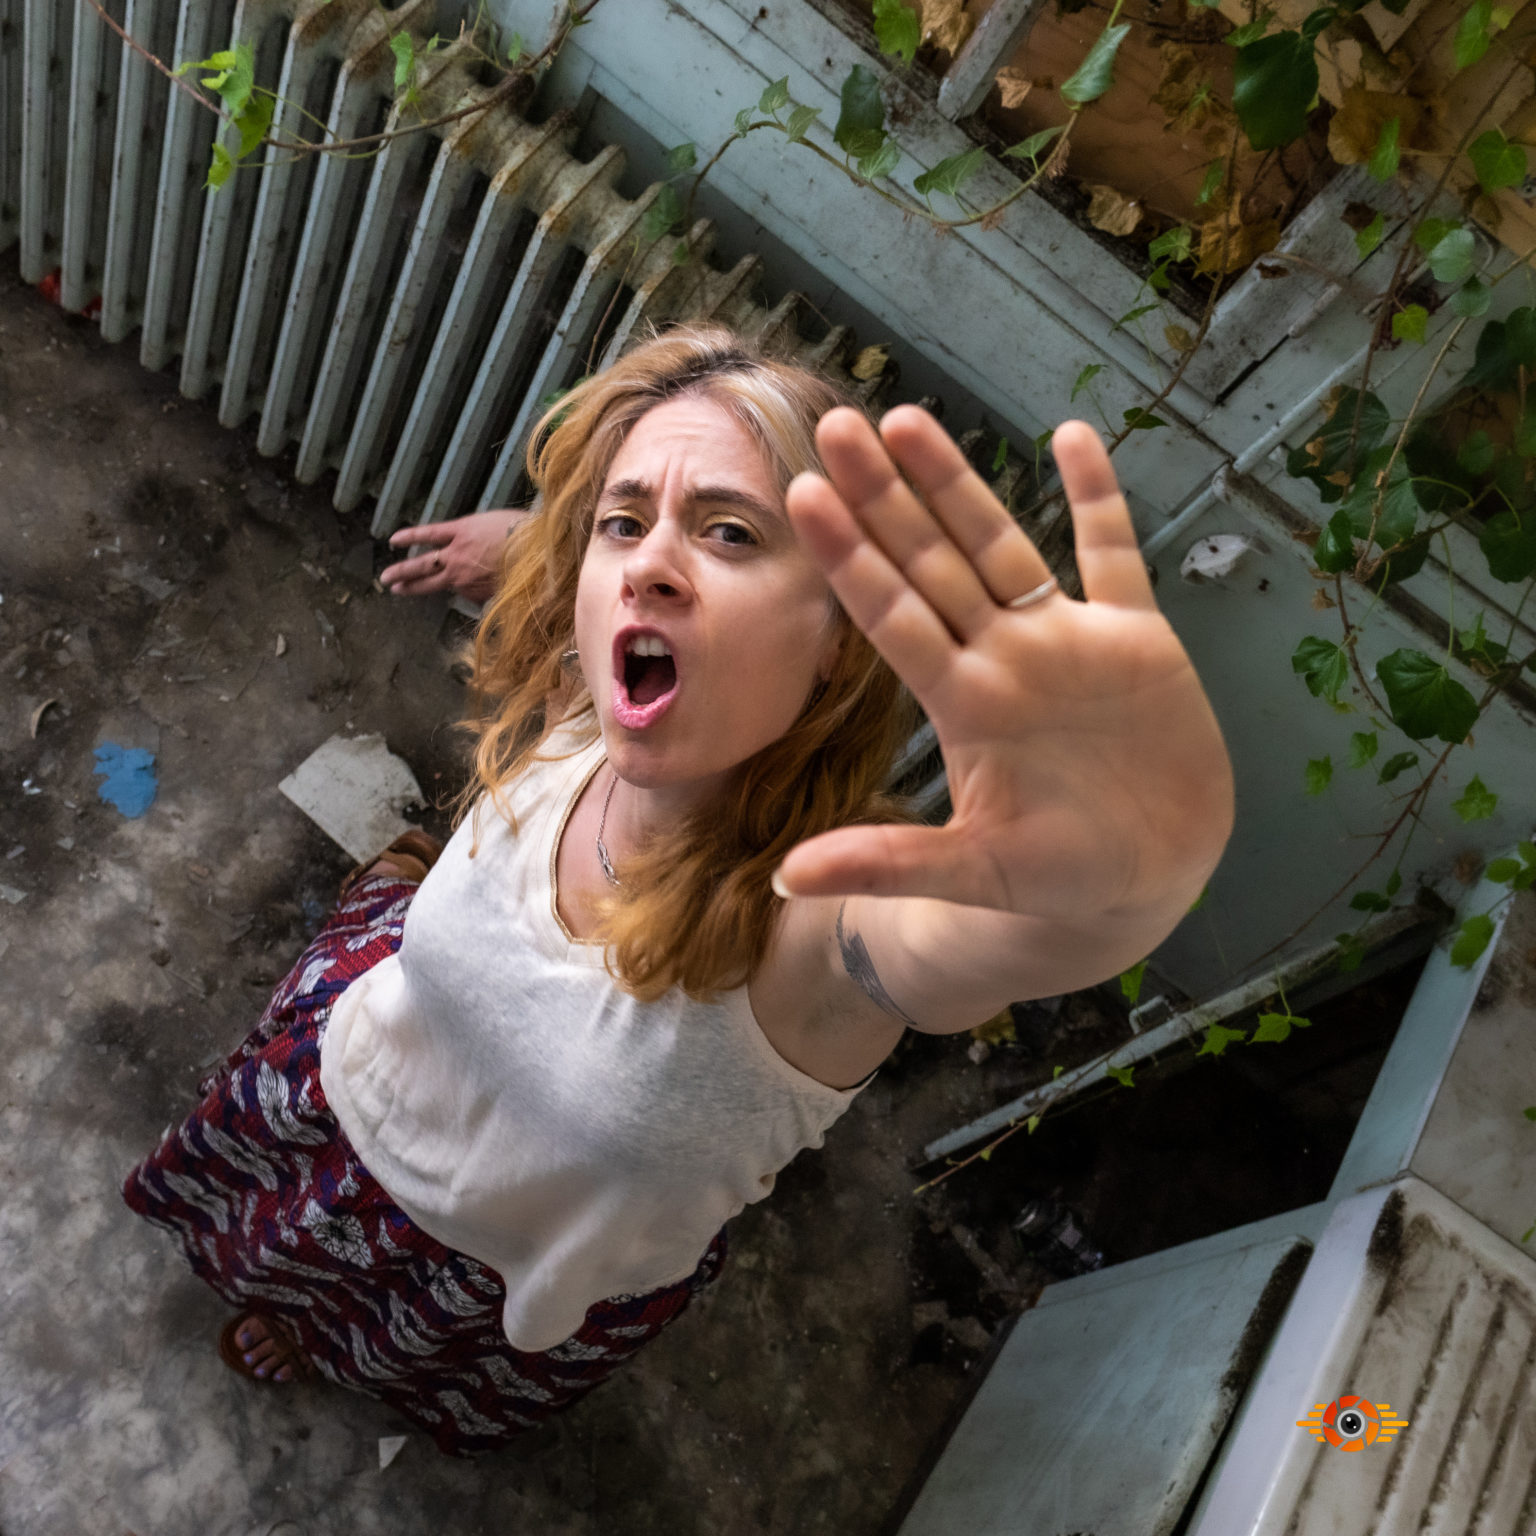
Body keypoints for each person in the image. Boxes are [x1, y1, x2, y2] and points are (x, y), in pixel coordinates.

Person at [123, 325, 1234, 1457]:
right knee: (280, 1256)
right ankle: (401, 892)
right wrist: (535, 538)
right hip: (355, 1095)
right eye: (623, 521)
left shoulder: (826, 924)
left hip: (502, 1264)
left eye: (731, 532)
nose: (648, 562)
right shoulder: (583, 696)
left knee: (372, 1337)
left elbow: (976, 946)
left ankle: (326, 1330)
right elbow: (599, 583)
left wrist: (1116, 880)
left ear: (838, 647)